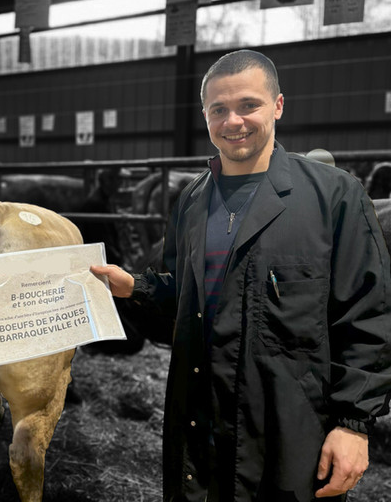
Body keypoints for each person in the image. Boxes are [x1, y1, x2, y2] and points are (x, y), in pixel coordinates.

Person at [91, 49, 391, 501]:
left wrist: (353, 424)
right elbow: (187, 293)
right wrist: (135, 286)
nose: (233, 121)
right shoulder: (193, 200)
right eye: (219, 110)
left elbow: (369, 313)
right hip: (199, 426)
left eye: (248, 105)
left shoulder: (334, 196)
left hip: (288, 434)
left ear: (278, 105)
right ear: (205, 116)